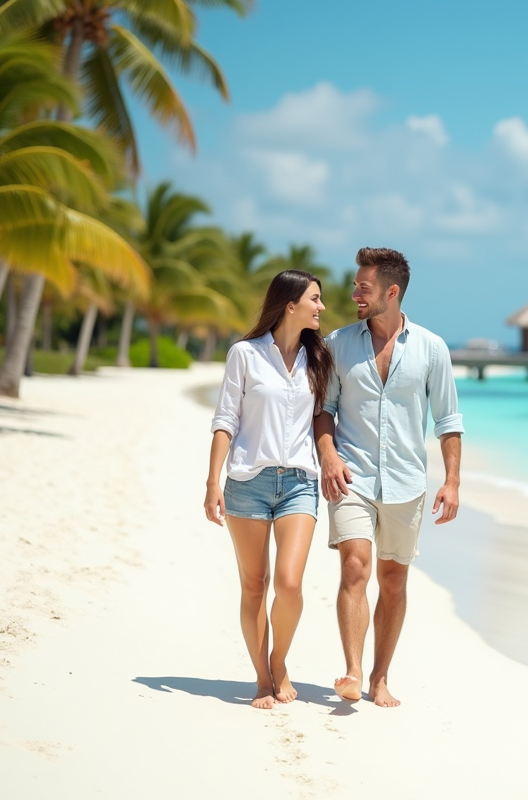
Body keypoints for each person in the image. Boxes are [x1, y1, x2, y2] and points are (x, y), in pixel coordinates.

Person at [315, 247, 464, 708]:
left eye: (364, 287)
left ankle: (380, 677)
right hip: (352, 476)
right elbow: (324, 411)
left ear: (390, 292)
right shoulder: (339, 343)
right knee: (355, 566)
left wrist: (452, 481)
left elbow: (448, 420)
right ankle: (354, 671)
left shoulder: (431, 348)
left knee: (394, 580)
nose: (354, 293)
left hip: (406, 482)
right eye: (356, 285)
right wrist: (329, 456)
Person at [204, 269, 332, 709]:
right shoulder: (245, 354)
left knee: (290, 584)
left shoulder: (320, 359)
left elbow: (324, 418)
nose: (321, 307)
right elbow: (226, 420)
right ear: (290, 304)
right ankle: (263, 680)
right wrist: (211, 482)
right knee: (254, 586)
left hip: (299, 482)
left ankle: (279, 661)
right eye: (315, 299)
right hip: (247, 482)